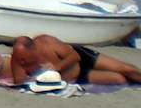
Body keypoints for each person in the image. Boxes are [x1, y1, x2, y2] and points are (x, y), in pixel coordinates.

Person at [10, 35, 141, 86]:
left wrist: (56, 68)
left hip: (80, 57)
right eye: (19, 58)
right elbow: (20, 82)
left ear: (33, 49)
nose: (22, 62)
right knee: (119, 79)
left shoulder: (47, 43)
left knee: (126, 69)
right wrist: (37, 77)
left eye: (24, 58)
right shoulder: (18, 59)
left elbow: (75, 56)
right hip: (76, 76)